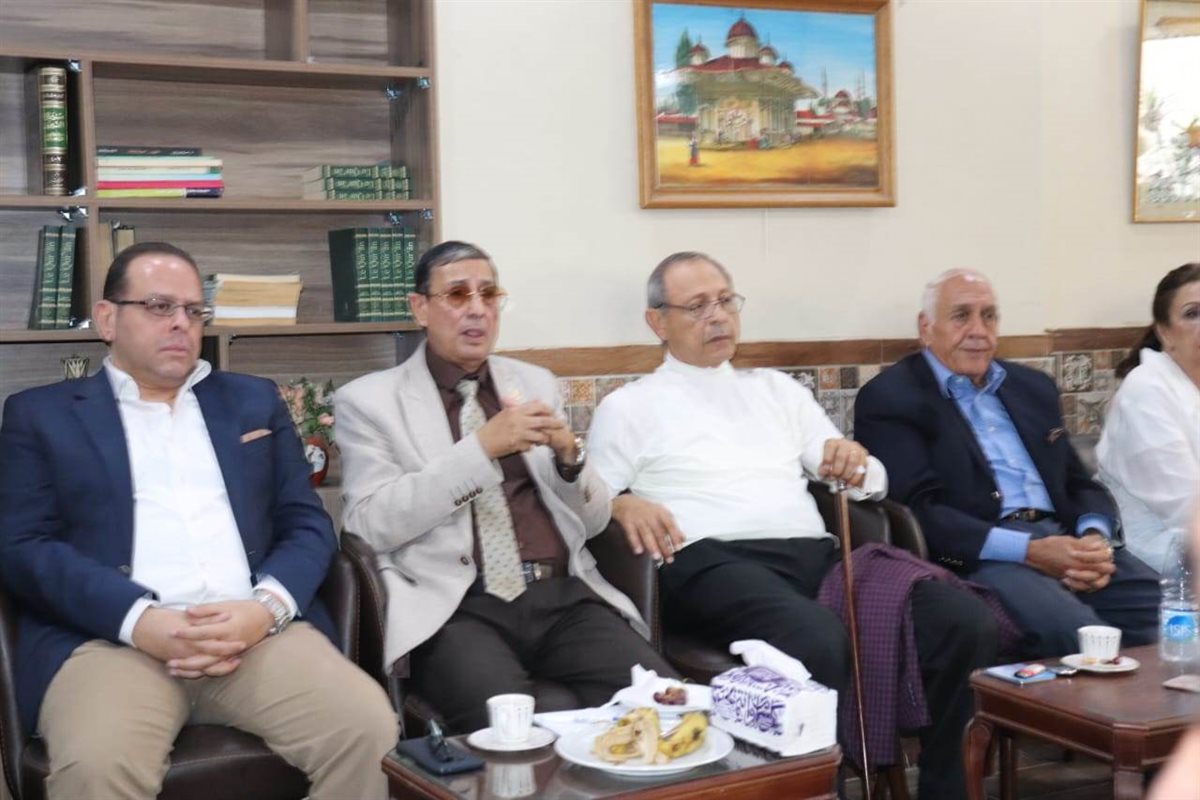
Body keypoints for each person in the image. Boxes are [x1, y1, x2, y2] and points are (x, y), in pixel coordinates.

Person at [587, 251, 1003, 800]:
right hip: (707, 561)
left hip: (814, 557)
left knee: (965, 621)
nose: (717, 316)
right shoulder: (629, 407)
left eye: (725, 301)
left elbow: (873, 479)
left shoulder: (778, 391)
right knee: (816, 640)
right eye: (697, 306)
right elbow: (585, 503)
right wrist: (620, 502)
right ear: (657, 322)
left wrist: (853, 460)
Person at [0, 242, 397, 800]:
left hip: (256, 635)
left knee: (368, 730)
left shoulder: (252, 401)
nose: (181, 324)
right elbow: (24, 547)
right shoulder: (40, 415)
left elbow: (306, 524)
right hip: (111, 642)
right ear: (108, 319)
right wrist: (139, 620)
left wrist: (265, 610)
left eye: (193, 311)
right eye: (159, 307)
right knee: (98, 766)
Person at [335, 240, 675, 734]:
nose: (477, 309)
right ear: (420, 308)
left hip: (561, 596)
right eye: (457, 295)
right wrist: (480, 451)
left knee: (668, 710)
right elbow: (370, 524)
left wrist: (570, 460)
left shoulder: (534, 384)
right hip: (458, 606)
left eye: (488, 294)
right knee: (510, 737)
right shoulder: (369, 402)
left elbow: (595, 520)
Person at [855, 268, 1161, 659]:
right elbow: (920, 511)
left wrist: (1093, 540)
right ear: (926, 328)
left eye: (989, 316)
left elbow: (1077, 483)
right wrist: (1030, 550)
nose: (979, 331)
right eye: (961, 316)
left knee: (1176, 620)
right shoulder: (892, 397)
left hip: (1068, 541)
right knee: (1080, 639)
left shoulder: (1032, 387)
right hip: (985, 555)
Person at [1098, 263, 1200, 572]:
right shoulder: (1145, 389)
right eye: (1193, 314)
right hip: (1158, 550)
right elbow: (1186, 507)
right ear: (1164, 332)